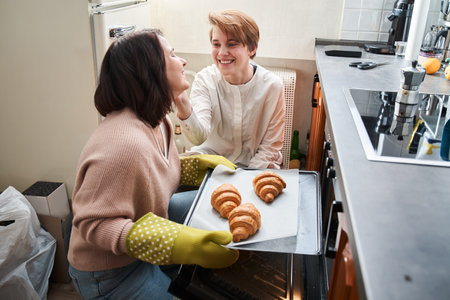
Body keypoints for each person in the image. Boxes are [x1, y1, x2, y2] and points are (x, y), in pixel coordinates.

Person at [67, 29, 238, 300]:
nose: (182, 61)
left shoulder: (159, 120)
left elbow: (150, 170)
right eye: (171, 54)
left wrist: (193, 167)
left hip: (139, 248)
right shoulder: (122, 143)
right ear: (150, 70)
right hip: (111, 274)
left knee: (209, 201)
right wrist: (169, 241)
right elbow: (93, 224)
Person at [175, 10, 286, 169]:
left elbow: (270, 146)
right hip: (211, 163)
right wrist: (181, 100)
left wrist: (245, 180)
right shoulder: (205, 80)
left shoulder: (272, 86)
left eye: (232, 44)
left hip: (256, 166)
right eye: (216, 44)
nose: (222, 53)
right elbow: (198, 137)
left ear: (252, 48)